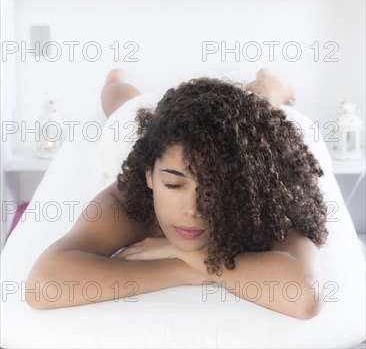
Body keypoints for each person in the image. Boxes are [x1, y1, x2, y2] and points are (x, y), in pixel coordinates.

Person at [26, 68, 328, 319]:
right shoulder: (128, 203)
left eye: (213, 187)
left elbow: (304, 296)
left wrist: (193, 256)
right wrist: (179, 270)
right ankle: (114, 82)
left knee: (258, 100)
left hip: (237, 127)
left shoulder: (258, 197)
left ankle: (270, 83)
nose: (193, 209)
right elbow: (42, 285)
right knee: (123, 105)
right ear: (150, 177)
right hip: (137, 131)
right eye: (173, 185)